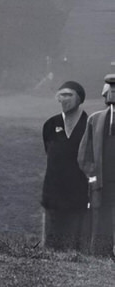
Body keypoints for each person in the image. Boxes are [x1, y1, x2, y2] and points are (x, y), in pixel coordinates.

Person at [40, 81, 89, 251]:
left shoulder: (89, 125)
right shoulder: (50, 124)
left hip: (79, 193)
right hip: (53, 192)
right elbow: (50, 153)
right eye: (62, 95)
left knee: (75, 244)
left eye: (70, 95)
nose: (65, 99)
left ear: (79, 98)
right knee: (51, 245)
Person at [78, 73, 115, 258]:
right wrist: (92, 176)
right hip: (102, 181)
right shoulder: (95, 120)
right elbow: (84, 155)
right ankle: (101, 253)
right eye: (112, 88)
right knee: (101, 217)